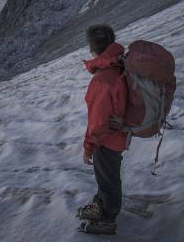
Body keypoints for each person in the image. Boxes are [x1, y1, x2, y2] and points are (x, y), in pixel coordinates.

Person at [77, 25, 128, 235]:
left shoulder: (103, 79)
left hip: (107, 140)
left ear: (94, 48)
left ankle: (108, 218)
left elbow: (98, 122)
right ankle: (101, 205)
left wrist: (89, 147)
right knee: (106, 176)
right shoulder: (119, 65)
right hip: (118, 135)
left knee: (108, 180)